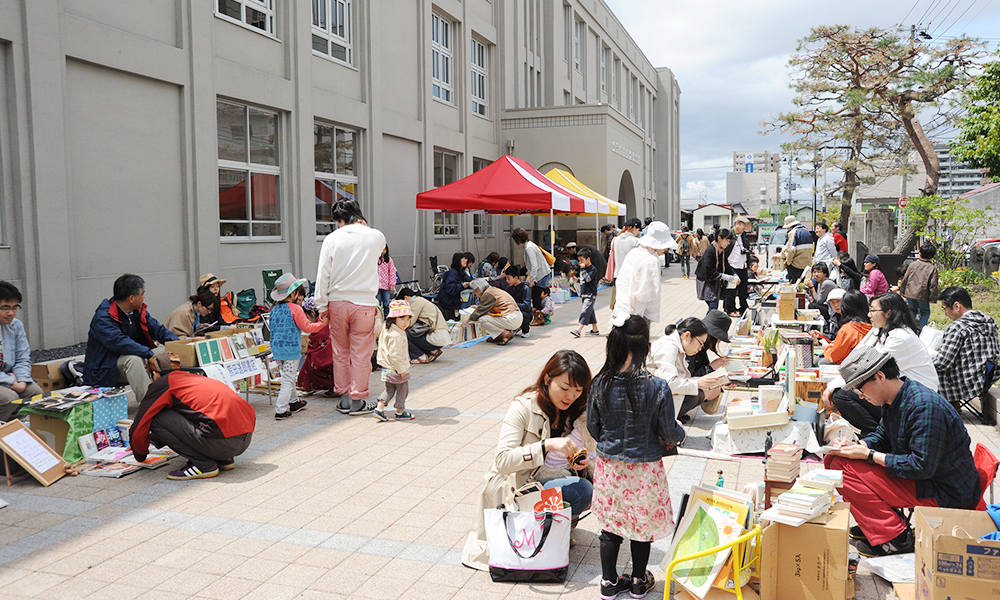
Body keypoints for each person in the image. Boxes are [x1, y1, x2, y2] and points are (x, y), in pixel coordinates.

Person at [825, 348, 980, 557]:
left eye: (860, 389)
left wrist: (869, 455)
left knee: (841, 468)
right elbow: (882, 436)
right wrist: (859, 445)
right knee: (835, 459)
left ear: (879, 377)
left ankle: (895, 538)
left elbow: (920, 466)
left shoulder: (923, 406)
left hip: (944, 490)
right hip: (928, 479)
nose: (860, 396)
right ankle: (879, 524)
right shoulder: (895, 398)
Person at [462, 350, 595, 570]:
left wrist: (579, 463)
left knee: (586, 487)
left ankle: (554, 529)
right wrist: (546, 446)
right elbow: (503, 460)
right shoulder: (523, 406)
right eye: (564, 388)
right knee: (581, 490)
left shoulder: (574, 410)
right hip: (517, 487)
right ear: (547, 379)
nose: (570, 396)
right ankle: (538, 529)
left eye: (577, 391)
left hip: (548, 480)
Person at [587, 316, 686, 599]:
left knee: (611, 523)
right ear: (645, 347)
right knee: (641, 525)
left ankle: (608, 583)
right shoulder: (657, 386)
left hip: (610, 465)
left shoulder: (600, 383)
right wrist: (681, 434)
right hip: (645, 467)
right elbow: (668, 431)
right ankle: (639, 581)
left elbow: (594, 427)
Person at [821, 292, 938, 436]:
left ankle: (878, 435)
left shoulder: (900, 337)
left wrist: (831, 387)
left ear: (888, 313)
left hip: (918, 402)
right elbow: (859, 353)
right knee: (850, 390)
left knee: (842, 395)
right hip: (900, 394)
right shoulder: (884, 331)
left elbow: (867, 366)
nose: (869, 315)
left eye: (873, 310)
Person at [314, 198, 387, 416]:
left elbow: (323, 274)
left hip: (337, 302)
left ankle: (345, 399)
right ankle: (358, 401)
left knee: (340, 352)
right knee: (361, 353)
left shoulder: (331, 239)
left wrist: (321, 306)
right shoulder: (376, 236)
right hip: (364, 302)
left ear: (341, 219)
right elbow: (380, 253)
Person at [130, 370, 255, 481]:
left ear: (155, 373)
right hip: (244, 439)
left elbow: (140, 424)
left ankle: (203, 464)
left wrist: (139, 454)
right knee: (197, 412)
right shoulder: (190, 379)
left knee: (156, 417)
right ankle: (224, 460)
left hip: (222, 444)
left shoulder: (161, 385)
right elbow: (190, 417)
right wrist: (151, 440)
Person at [84, 274, 178, 402]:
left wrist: (180, 345)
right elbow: (121, 343)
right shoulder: (103, 318)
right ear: (132, 298)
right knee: (133, 360)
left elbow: (157, 329)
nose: (144, 297)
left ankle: (178, 395)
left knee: (173, 351)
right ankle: (150, 404)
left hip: (137, 354)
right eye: (143, 293)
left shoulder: (136, 310)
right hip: (106, 366)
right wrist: (149, 354)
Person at [269, 274, 328, 420]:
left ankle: (294, 402)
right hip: (291, 351)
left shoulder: (274, 310)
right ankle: (281, 409)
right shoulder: (295, 309)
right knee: (288, 380)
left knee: (288, 377)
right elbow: (307, 327)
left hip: (277, 350)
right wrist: (322, 324)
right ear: (293, 293)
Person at [934, 286, 1000, 409]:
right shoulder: (990, 322)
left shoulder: (958, 327)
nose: (945, 314)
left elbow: (943, 363)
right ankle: (953, 404)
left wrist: (926, 360)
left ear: (957, 306)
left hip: (961, 384)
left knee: (920, 371)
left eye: (945, 309)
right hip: (984, 381)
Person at [650, 317, 725, 421]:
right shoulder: (668, 347)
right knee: (696, 393)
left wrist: (704, 382)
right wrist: (697, 383)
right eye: (700, 343)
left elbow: (681, 379)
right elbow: (669, 383)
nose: (700, 348)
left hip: (657, 395)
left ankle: (671, 422)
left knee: (699, 391)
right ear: (687, 335)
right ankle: (666, 423)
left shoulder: (678, 346)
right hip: (652, 401)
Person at [609, 222, 676, 328]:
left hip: (621, 310)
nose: (665, 249)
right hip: (637, 315)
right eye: (664, 246)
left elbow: (622, 283)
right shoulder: (651, 260)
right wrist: (637, 319)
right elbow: (644, 295)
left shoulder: (634, 252)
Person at [0, 282, 41, 423]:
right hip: (7, 379)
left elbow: (23, 358)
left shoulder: (16, 325)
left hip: (11, 378)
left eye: (14, 307)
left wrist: (22, 381)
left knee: (36, 393)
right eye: (5, 308)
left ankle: (12, 427)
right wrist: (10, 381)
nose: (11, 313)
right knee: (9, 398)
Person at [373, 300, 416, 422]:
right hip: (396, 368)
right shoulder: (396, 335)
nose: (405, 322)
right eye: (402, 318)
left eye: (408, 319)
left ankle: (379, 409)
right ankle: (400, 411)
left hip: (387, 368)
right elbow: (395, 355)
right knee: (403, 390)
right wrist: (402, 370)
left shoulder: (387, 328)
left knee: (389, 390)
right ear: (394, 318)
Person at [813, 290, 871, 364]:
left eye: (839, 302)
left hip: (849, 364)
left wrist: (826, 347)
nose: (836, 305)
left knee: (821, 362)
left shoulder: (848, 328)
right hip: (864, 363)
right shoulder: (873, 325)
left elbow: (835, 355)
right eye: (832, 303)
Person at [395, 288, 447, 364]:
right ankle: (433, 351)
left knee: (404, 332)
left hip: (436, 338)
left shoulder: (415, 303)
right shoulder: (420, 300)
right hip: (440, 336)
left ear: (406, 298)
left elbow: (408, 324)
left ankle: (419, 356)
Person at [297, 297, 337, 396]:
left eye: (308, 317)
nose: (309, 320)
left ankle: (333, 387)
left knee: (312, 361)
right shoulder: (329, 316)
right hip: (338, 349)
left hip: (330, 351)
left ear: (313, 312)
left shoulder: (322, 321)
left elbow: (318, 338)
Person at [897, 244, 939, 330]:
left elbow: (906, 278)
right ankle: (919, 329)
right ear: (933, 256)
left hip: (910, 292)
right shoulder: (932, 268)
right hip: (923, 295)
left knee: (912, 310)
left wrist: (902, 291)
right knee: (925, 312)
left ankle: (911, 328)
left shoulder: (913, 264)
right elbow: (933, 285)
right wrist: (933, 297)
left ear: (919, 254)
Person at [469, 279, 523, 345]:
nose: (475, 293)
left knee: (483, 319)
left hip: (511, 318)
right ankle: (499, 336)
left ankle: (505, 334)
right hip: (517, 316)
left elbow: (480, 311)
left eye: (475, 291)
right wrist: (477, 307)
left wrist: (468, 320)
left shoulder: (487, 293)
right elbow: (488, 307)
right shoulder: (493, 290)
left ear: (478, 288)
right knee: (488, 317)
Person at [695, 228, 737, 313]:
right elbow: (708, 269)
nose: (728, 243)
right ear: (719, 238)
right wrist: (723, 276)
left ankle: (707, 323)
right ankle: (708, 324)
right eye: (727, 240)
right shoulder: (710, 250)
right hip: (706, 281)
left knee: (713, 305)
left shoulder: (721, 251)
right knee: (713, 305)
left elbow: (726, 265)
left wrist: (734, 274)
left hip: (714, 281)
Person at [605, 218, 642, 310]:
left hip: (618, 275)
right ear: (634, 228)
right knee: (630, 305)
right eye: (638, 229)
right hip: (632, 277)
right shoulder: (636, 241)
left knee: (618, 304)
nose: (638, 231)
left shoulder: (615, 240)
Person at [511, 228, 551, 311]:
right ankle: (538, 316)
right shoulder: (529, 245)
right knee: (536, 296)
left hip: (541, 274)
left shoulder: (529, 247)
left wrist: (532, 279)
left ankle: (539, 317)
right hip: (541, 273)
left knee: (536, 297)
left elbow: (534, 264)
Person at [724, 216, 752, 317]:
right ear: (736, 224)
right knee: (731, 290)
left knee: (743, 290)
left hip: (743, 266)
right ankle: (730, 309)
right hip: (732, 267)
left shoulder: (743, 236)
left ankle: (743, 307)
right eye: (742, 227)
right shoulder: (729, 235)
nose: (743, 229)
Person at [571, 247, 600, 337]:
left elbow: (588, 279)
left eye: (582, 260)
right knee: (590, 311)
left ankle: (579, 329)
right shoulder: (583, 269)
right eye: (579, 261)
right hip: (584, 293)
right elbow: (583, 279)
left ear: (588, 259)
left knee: (585, 311)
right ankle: (595, 329)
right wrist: (577, 279)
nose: (580, 263)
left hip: (590, 294)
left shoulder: (592, 269)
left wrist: (583, 270)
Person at [435, 252, 472, 321]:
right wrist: (462, 285)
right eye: (463, 259)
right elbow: (450, 289)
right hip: (448, 303)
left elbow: (469, 280)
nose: (465, 261)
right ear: (458, 260)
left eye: (466, 259)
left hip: (453, 303)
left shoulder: (461, 272)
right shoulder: (452, 273)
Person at [781, 215, 814, 283]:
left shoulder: (793, 233)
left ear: (790, 226)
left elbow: (791, 250)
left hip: (795, 265)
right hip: (807, 264)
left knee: (794, 285)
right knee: (803, 285)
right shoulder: (807, 232)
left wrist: (787, 263)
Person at [504, 265, 533, 338]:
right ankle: (514, 328)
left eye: (509, 279)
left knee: (523, 315)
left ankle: (525, 330)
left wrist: (514, 305)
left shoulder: (525, 288)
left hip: (524, 313)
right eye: (506, 279)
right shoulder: (509, 288)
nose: (507, 281)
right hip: (512, 311)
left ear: (516, 277)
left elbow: (527, 306)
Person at [376, 246, 397, 315]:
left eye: (384, 250)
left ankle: (387, 316)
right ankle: (379, 317)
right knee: (377, 303)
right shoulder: (375, 259)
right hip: (377, 285)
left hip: (386, 285)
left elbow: (392, 272)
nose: (383, 252)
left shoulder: (389, 260)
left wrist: (392, 284)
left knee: (386, 303)